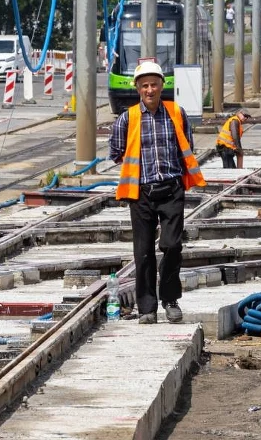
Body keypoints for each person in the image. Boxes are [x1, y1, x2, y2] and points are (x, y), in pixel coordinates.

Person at [108, 58, 205, 325]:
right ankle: (147, 309)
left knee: (172, 246)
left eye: (154, 84)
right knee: (143, 253)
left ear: (162, 86)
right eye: (145, 86)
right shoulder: (127, 118)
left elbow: (187, 145)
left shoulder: (176, 113)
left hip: (172, 189)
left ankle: (170, 299)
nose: (149, 90)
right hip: (141, 193)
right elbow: (116, 152)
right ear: (138, 88)